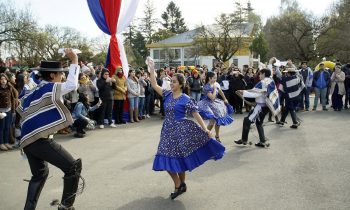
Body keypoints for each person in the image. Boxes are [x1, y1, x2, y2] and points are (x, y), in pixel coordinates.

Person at [147, 57, 225, 200]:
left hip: (181, 131)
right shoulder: (167, 94)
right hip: (167, 131)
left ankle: (180, 184)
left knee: (179, 159)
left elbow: (196, 115)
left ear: (181, 84)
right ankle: (179, 184)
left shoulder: (186, 99)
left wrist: (206, 129)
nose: (171, 84)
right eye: (171, 81)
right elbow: (153, 83)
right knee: (165, 157)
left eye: (174, 82)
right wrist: (152, 69)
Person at [16, 49, 83, 210]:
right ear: (52, 75)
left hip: (28, 141)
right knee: (72, 167)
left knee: (39, 174)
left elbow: (20, 107)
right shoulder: (49, 88)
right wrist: (74, 59)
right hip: (39, 140)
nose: (62, 76)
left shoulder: (34, 91)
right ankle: (66, 207)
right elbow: (72, 84)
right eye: (60, 73)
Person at [234, 69, 280, 147]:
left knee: (247, 120)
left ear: (264, 74)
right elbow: (255, 91)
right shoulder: (270, 80)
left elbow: (255, 94)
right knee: (259, 123)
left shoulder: (262, 83)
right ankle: (262, 141)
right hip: (266, 106)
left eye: (260, 74)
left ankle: (244, 140)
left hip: (260, 107)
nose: (259, 76)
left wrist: (243, 93)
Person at [197, 72, 234, 142]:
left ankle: (217, 136)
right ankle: (204, 136)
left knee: (218, 121)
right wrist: (214, 89)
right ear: (209, 78)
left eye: (216, 78)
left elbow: (220, 92)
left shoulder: (216, 84)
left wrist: (225, 99)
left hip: (216, 104)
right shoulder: (206, 87)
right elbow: (212, 98)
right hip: (207, 105)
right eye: (214, 78)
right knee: (211, 122)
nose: (215, 79)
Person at [0, 73, 17, 151]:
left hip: (9, 110)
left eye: (5, 79)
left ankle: (6, 142)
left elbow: (13, 98)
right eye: (1, 79)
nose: (3, 81)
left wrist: (13, 110)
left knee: (7, 127)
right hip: (1, 112)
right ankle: (1, 143)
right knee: (1, 128)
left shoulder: (9, 87)